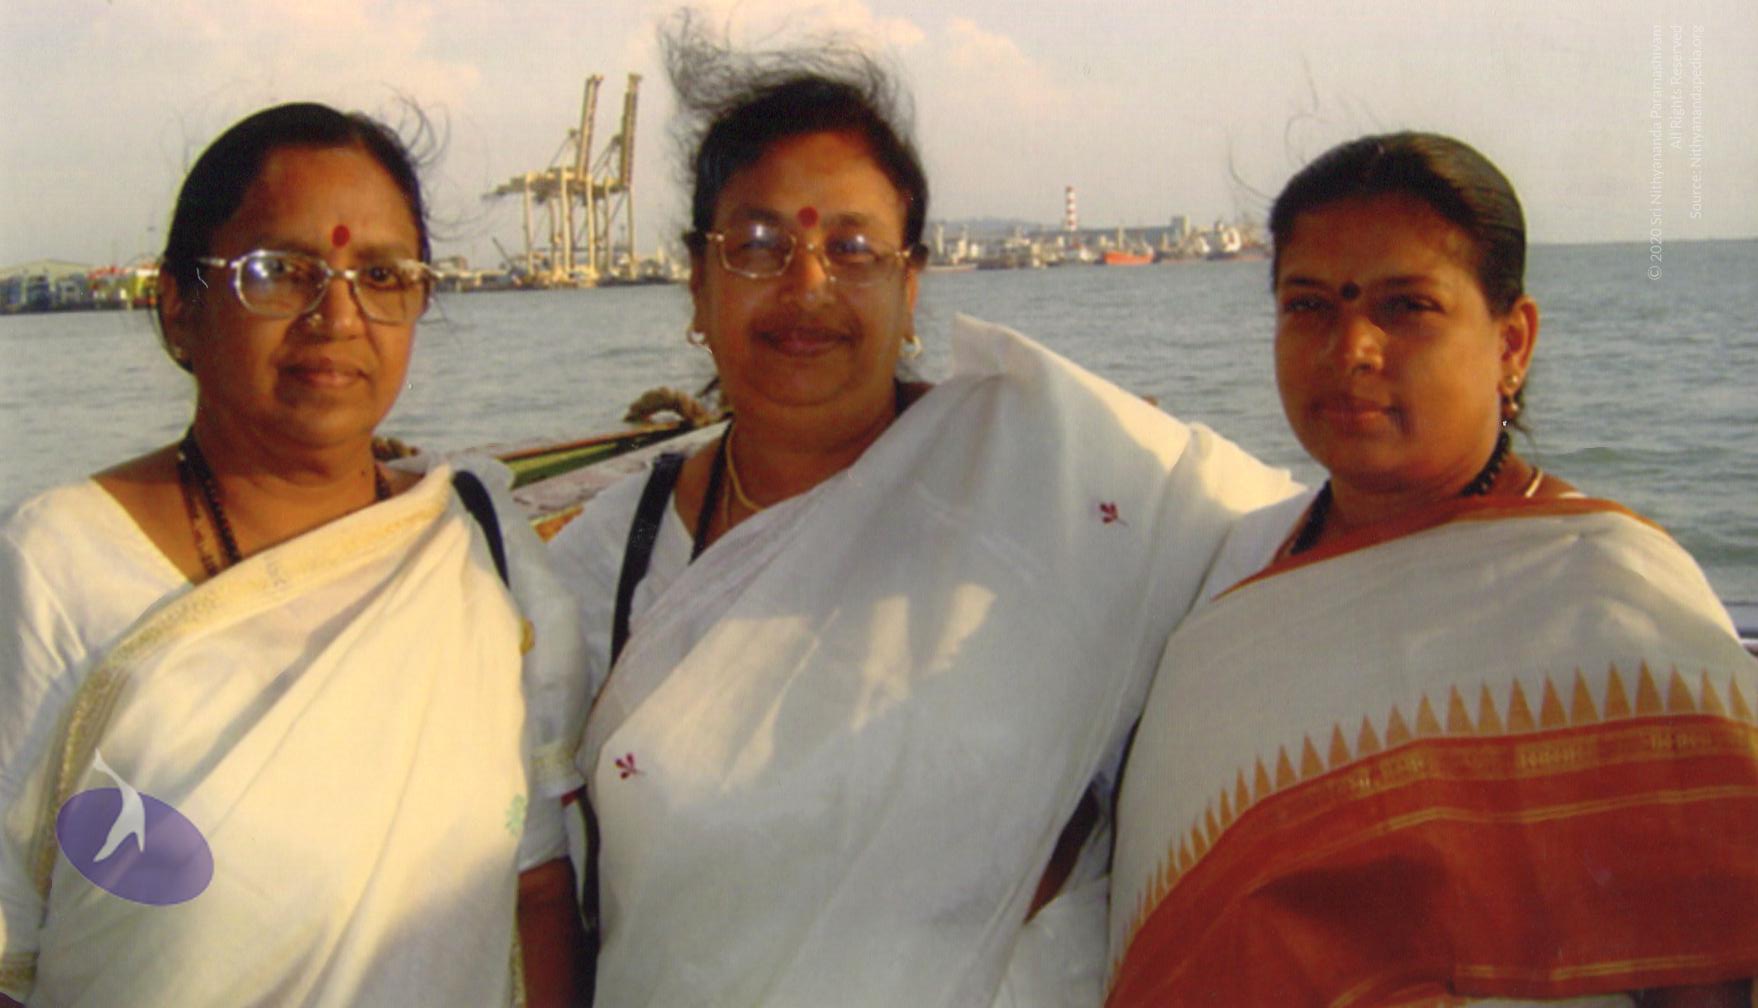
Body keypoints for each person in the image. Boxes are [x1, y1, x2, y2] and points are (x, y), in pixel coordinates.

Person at [545, 22, 1298, 1008]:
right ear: (697, 282)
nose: (807, 286)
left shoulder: (1052, 470)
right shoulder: (606, 561)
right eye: (759, 246)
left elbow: (1313, 560)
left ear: (910, 289)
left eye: (853, 249)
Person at [1106, 132, 1758, 1007]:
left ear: (1512, 342)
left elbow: (1712, 971)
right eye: (1309, 305)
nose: (1351, 348)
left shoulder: (1611, 595)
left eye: (1407, 306)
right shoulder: (1227, 574)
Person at [0, 103, 588, 1005]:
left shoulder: (478, 550)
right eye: (280, 272)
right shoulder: (55, 568)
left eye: (381, 275)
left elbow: (536, 892)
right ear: (177, 307)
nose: (337, 317)